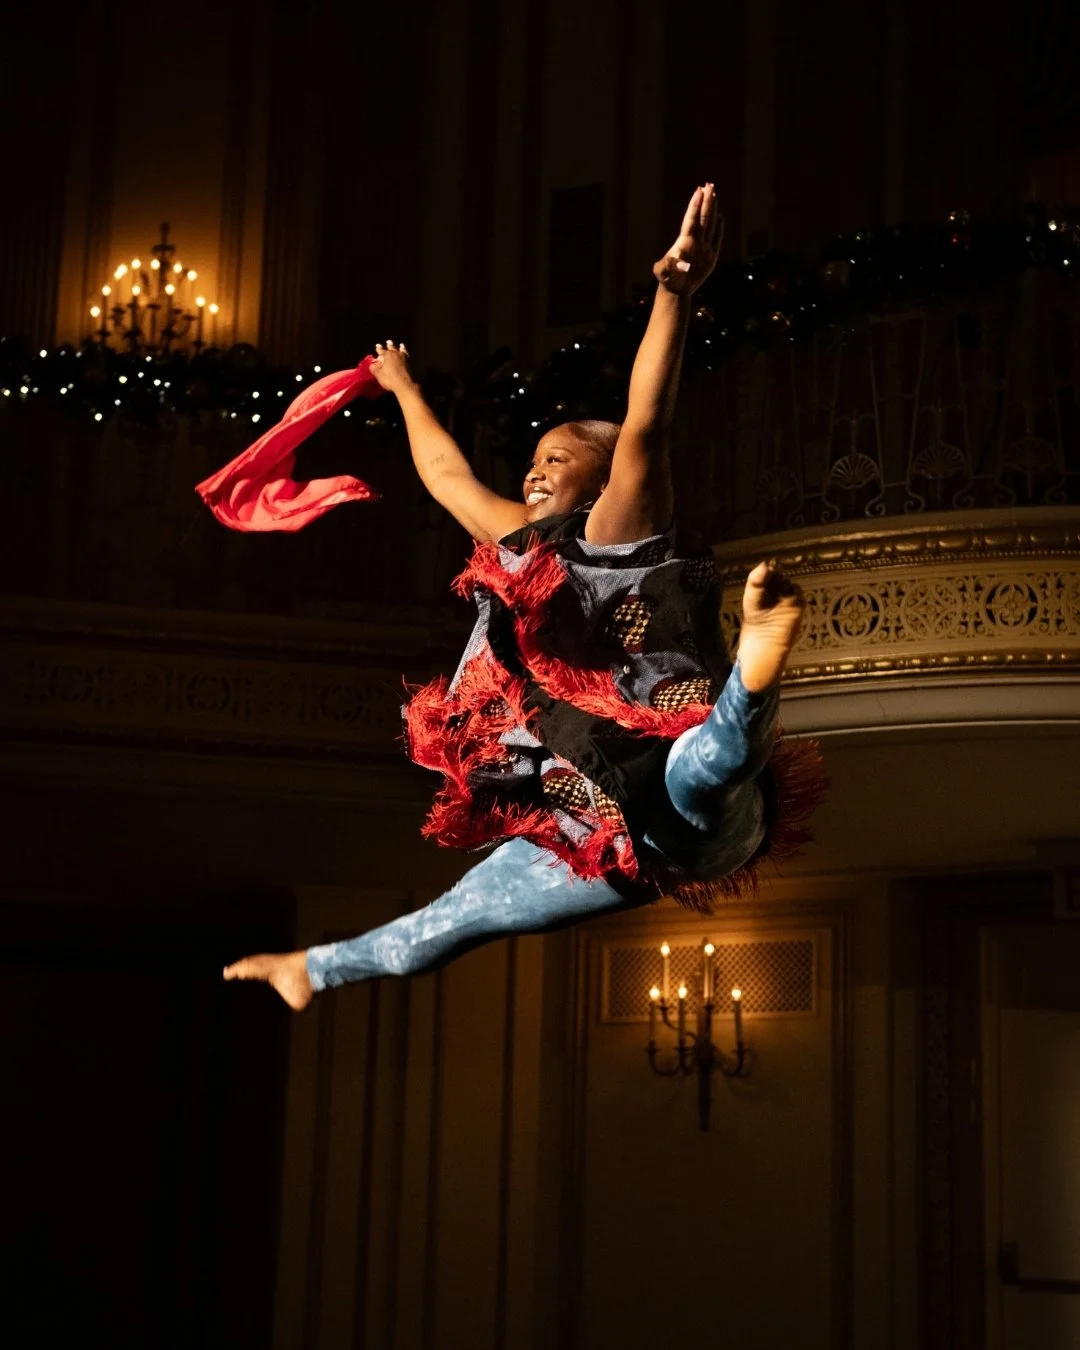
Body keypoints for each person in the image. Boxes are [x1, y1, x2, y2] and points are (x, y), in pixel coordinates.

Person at [224, 184, 819, 1012]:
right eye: (534, 460)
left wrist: (675, 294)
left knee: (707, 767)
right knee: (454, 916)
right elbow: (446, 476)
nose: (535, 472)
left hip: (674, 790)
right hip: (601, 838)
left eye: (557, 460)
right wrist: (402, 388)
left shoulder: (619, 528)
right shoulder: (521, 544)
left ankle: (757, 669)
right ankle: (312, 968)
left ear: (604, 481)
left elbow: (647, 424)